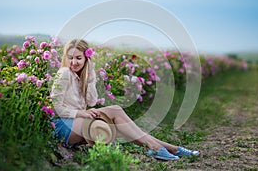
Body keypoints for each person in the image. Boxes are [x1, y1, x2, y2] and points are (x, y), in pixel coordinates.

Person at [50, 39, 199, 161]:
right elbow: (55, 106)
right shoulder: (64, 73)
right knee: (117, 115)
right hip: (64, 124)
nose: (74, 62)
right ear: (65, 58)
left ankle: (170, 149)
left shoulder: (82, 75)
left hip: (78, 123)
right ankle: (158, 148)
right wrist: (80, 114)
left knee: (120, 118)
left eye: (78, 58)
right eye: (70, 58)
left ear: (86, 58)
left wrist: (89, 76)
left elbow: (91, 101)